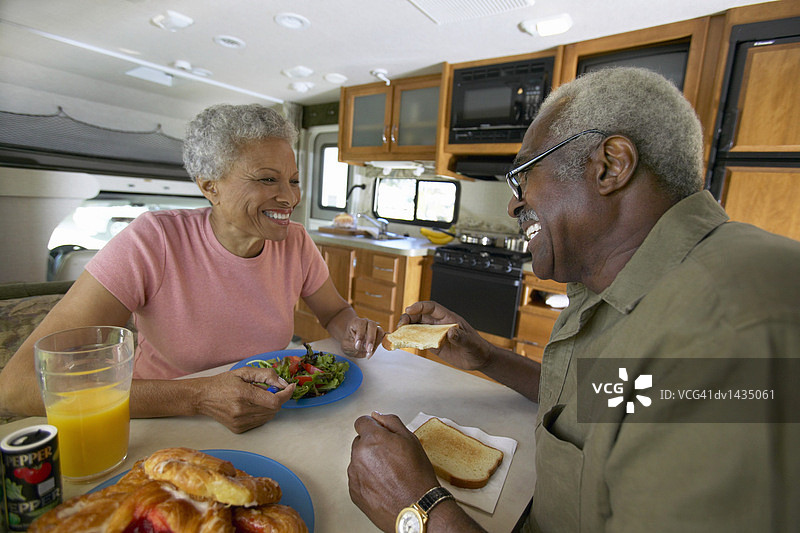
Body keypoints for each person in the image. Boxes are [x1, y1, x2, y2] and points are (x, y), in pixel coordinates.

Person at [348, 68, 800, 532]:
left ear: (610, 165)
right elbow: (612, 401)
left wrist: (420, 510)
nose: (512, 206)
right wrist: (486, 357)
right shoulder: (621, 284)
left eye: (524, 174)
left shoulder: (729, 329)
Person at [0, 104, 384, 433]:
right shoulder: (153, 241)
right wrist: (200, 396)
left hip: (266, 416)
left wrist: (352, 330)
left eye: (294, 180)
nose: (290, 196)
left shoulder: (296, 242)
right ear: (209, 186)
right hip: (163, 421)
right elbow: (18, 386)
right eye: (268, 179)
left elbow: (334, 312)